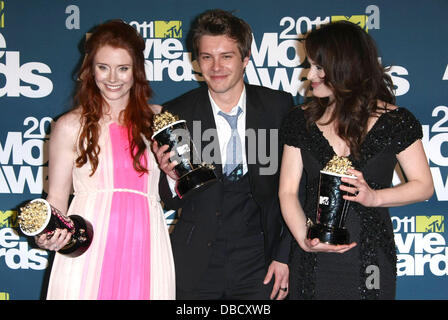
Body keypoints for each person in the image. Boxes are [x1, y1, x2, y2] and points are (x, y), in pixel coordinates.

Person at [279, 20, 434, 300]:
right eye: (309, 65)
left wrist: (374, 197)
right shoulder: (299, 120)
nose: (309, 74)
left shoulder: (395, 121)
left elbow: (423, 185)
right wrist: (305, 239)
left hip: (370, 257)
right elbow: (288, 191)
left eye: (317, 67)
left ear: (343, 67)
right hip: (312, 258)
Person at [153, 9, 294, 300]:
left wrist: (284, 255)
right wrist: (168, 178)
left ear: (245, 58)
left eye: (226, 56)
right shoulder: (177, 112)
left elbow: (296, 187)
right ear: (197, 60)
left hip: (261, 260)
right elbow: (166, 200)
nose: (216, 67)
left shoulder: (277, 107)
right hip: (196, 261)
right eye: (207, 57)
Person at [34, 20, 175, 300]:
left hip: (145, 245)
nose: (113, 78)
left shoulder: (158, 119)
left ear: (136, 71)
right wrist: (46, 231)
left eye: (123, 68)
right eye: (103, 67)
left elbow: (182, 185)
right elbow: (58, 197)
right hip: (89, 248)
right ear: (90, 68)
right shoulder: (68, 126)